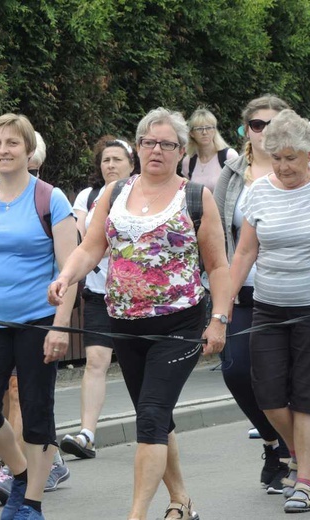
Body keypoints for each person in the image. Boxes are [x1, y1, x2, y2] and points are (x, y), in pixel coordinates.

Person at [49, 107, 231, 520]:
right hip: (125, 325)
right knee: (157, 416)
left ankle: (135, 515)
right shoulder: (114, 194)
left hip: (180, 323)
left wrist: (218, 318)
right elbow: (92, 246)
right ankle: (181, 501)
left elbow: (218, 265)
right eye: (149, 142)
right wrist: (66, 276)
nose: (157, 151)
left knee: (150, 415)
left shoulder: (195, 198)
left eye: (167, 144)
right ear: (138, 146)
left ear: (180, 150)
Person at [229, 109, 310, 513]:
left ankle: (304, 479)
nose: (284, 166)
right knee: (268, 396)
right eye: (277, 157)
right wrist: (222, 305)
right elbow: (246, 252)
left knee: (306, 398)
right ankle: (299, 450)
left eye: (292, 157)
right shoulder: (257, 191)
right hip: (269, 306)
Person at [0, 113, 77, 520]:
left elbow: (70, 271)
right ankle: (22, 471)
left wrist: (60, 326)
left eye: (13, 143)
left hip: (38, 323)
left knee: (36, 412)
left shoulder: (50, 198)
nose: (3, 150)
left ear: (29, 150)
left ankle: (31, 503)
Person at [213, 94, 293, 494]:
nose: (264, 131)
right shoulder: (232, 173)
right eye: (257, 124)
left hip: (295, 293)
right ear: (247, 130)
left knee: (284, 381)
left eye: (273, 123)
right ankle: (273, 441)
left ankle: (297, 459)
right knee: (236, 370)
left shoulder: (307, 170)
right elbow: (217, 237)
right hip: (243, 290)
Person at [60, 136, 137, 460]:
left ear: (131, 164)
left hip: (137, 299)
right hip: (98, 294)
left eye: (117, 159)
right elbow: (79, 238)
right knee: (95, 361)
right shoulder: (88, 196)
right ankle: (87, 434)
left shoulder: (142, 196)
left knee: (139, 367)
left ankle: (157, 426)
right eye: (106, 160)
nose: (110, 165)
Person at [181, 106, 238, 192]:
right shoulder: (188, 162)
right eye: (199, 129)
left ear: (214, 130)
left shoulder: (229, 156)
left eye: (208, 128)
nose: (204, 132)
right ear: (192, 134)